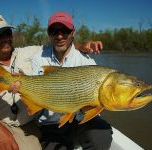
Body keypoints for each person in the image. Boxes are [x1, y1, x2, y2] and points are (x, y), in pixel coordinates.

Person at [0, 14, 102, 150]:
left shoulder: (30, 52)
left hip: (27, 128)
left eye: (7, 32)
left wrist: (82, 46)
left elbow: (60, 46)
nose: (6, 38)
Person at [30, 11, 113, 150]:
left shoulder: (86, 60)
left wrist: (93, 106)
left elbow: (93, 109)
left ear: (73, 33)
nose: (60, 36)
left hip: (80, 121)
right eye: (54, 31)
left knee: (101, 136)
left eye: (65, 31)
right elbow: (34, 93)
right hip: (51, 124)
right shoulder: (38, 58)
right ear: (48, 33)